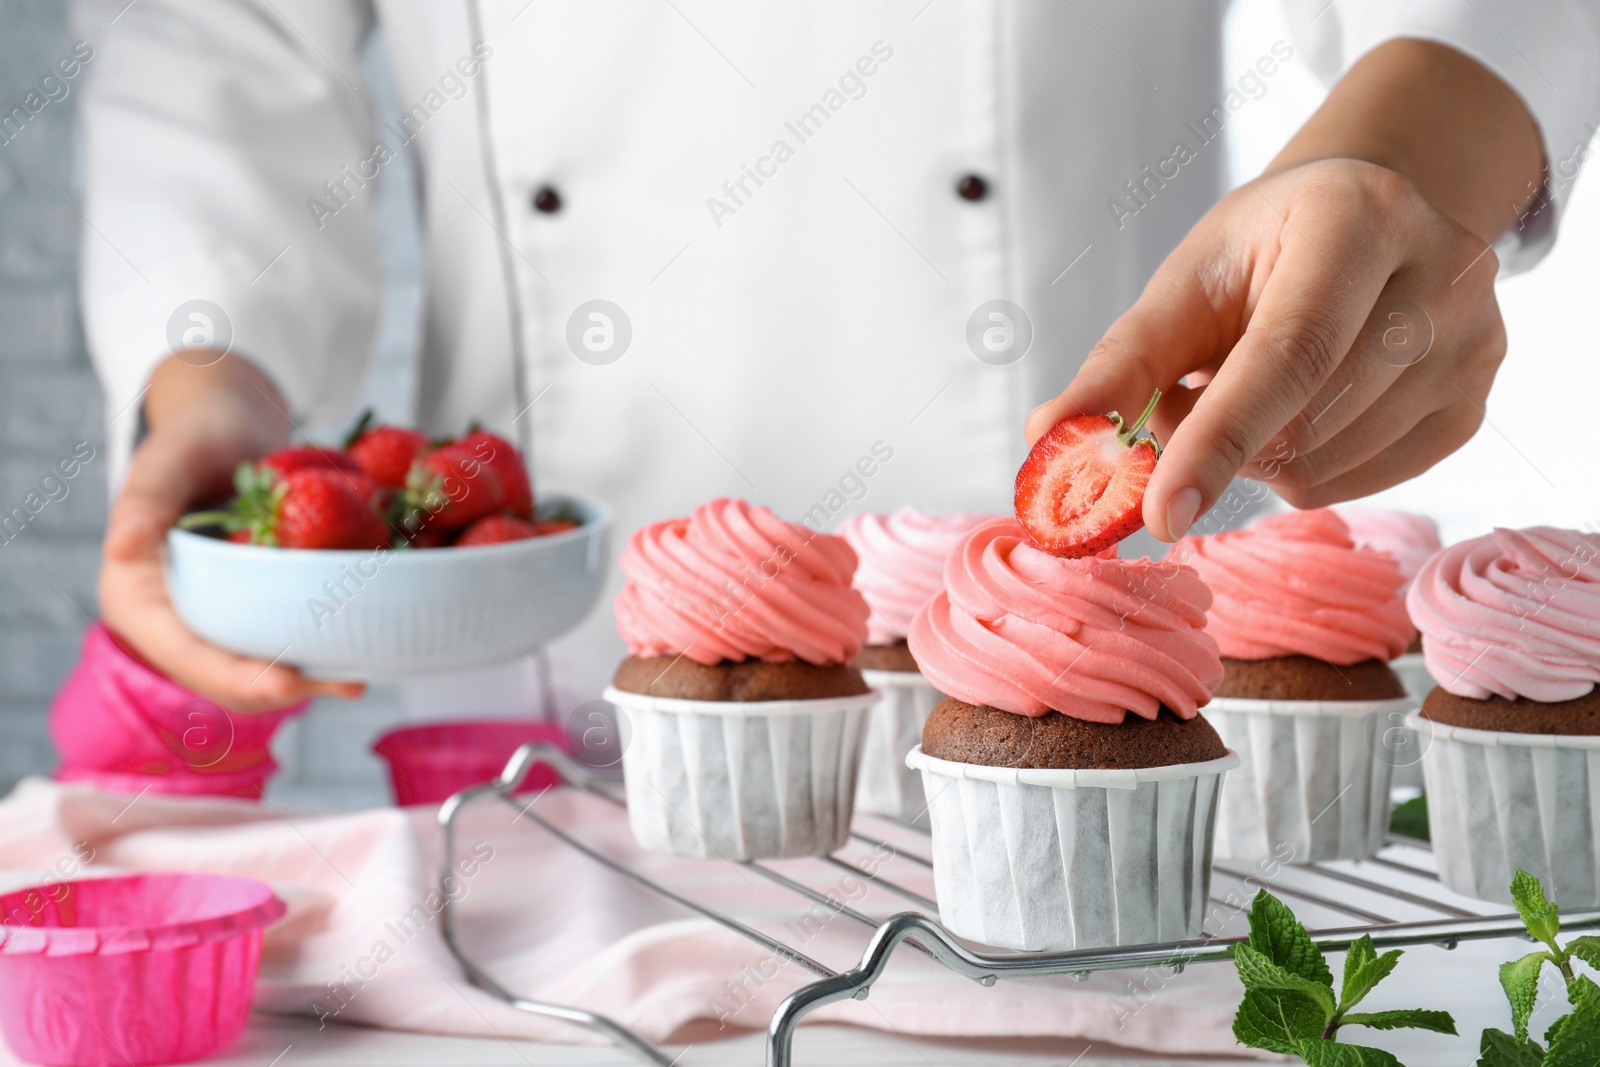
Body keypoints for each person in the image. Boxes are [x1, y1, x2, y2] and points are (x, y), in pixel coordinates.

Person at [75, 0, 1600, 717]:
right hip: (540, 649)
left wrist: (1414, 147)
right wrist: (218, 376)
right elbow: (212, 40)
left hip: (1123, 635)